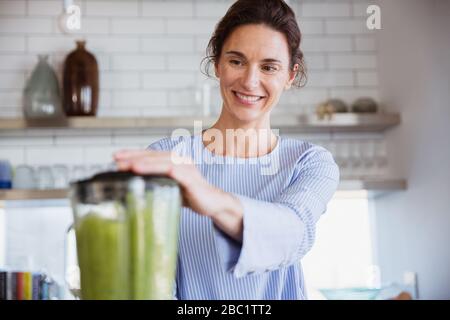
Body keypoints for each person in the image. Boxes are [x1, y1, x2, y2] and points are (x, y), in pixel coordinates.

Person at [114, 0, 339, 300]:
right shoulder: (169, 157)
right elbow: (153, 275)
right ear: (217, 64)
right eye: (237, 61)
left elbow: (292, 234)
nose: (249, 81)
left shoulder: (310, 164)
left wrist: (209, 197)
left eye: (269, 66)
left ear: (290, 76)